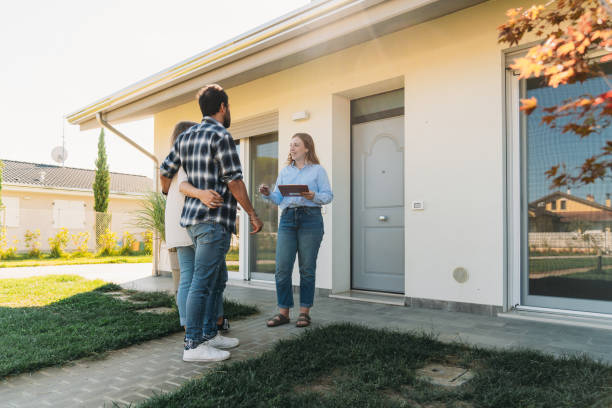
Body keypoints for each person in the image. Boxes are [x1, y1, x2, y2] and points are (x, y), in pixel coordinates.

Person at [160, 84, 263, 362]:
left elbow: (165, 171)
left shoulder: (186, 137)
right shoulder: (221, 135)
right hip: (213, 221)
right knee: (202, 283)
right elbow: (234, 181)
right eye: (227, 107)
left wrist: (166, 192)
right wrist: (252, 213)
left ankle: (208, 335)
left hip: (193, 222)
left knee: (214, 279)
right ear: (223, 107)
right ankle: (193, 345)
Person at [259, 133, 333, 328]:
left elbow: (328, 196)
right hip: (288, 220)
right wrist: (268, 194)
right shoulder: (285, 172)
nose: (291, 148)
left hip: (311, 219)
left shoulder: (318, 171)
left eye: (296, 145)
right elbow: (279, 198)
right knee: (282, 269)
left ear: (307, 148)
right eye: (290, 145)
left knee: (306, 269)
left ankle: (304, 313)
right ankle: (283, 312)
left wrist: (313, 196)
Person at [164, 120, 230, 335]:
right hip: (191, 225)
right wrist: (203, 194)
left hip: (179, 226)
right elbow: (184, 187)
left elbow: (166, 187)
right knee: (203, 279)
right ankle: (202, 326)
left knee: (189, 278)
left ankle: (190, 324)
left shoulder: (173, 162)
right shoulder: (188, 161)